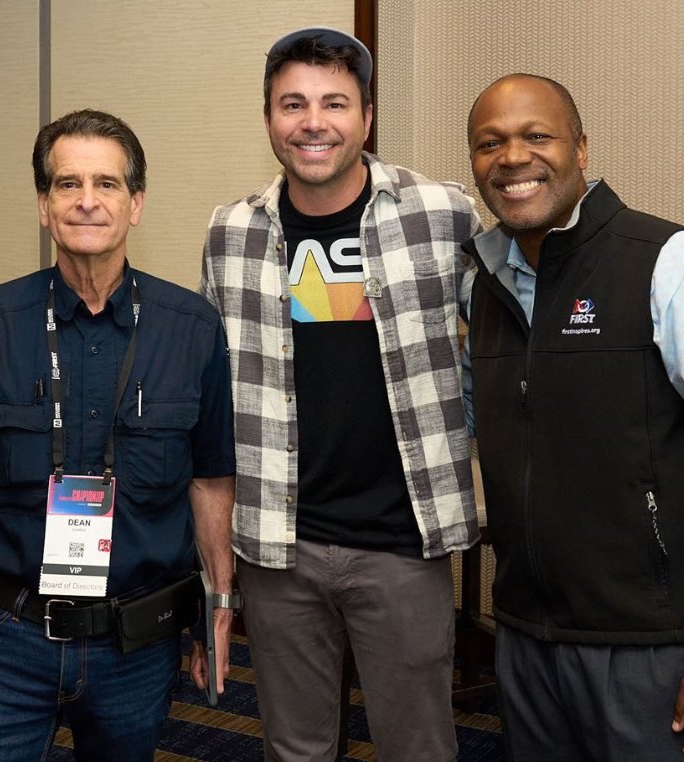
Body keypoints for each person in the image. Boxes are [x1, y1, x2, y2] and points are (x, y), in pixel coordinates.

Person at [461, 74, 684, 761]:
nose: (512, 158)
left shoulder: (675, 265)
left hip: (657, 645)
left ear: (582, 150)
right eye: (489, 143)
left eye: (537, 136)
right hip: (529, 638)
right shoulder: (485, 286)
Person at [0, 109, 237, 761]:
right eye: (67, 184)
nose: (87, 201)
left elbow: (211, 476)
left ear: (136, 204)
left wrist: (218, 603)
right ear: (44, 206)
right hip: (11, 638)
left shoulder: (192, 329)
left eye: (106, 184)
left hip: (136, 643)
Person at [199, 27, 480, 762]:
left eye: (334, 103)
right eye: (292, 104)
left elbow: (504, 345)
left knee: (418, 747)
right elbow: (214, 394)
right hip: (278, 545)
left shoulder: (440, 212)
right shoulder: (230, 231)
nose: (312, 122)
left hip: (402, 543)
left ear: (367, 115)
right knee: (295, 749)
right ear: (268, 120)